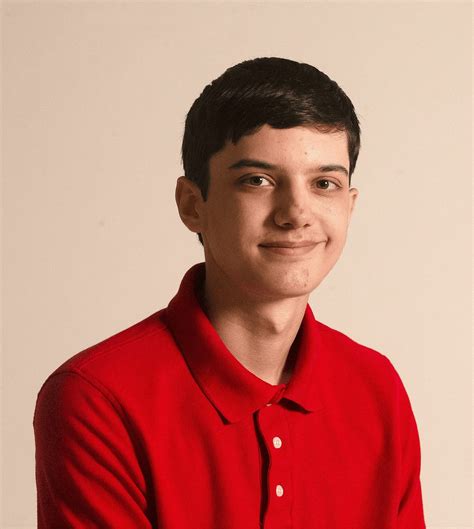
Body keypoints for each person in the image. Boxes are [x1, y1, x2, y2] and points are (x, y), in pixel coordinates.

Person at [33, 57, 426, 528]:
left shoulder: (377, 389)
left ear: (349, 205)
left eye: (324, 184)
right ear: (192, 205)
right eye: (257, 180)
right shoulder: (97, 399)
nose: (295, 213)